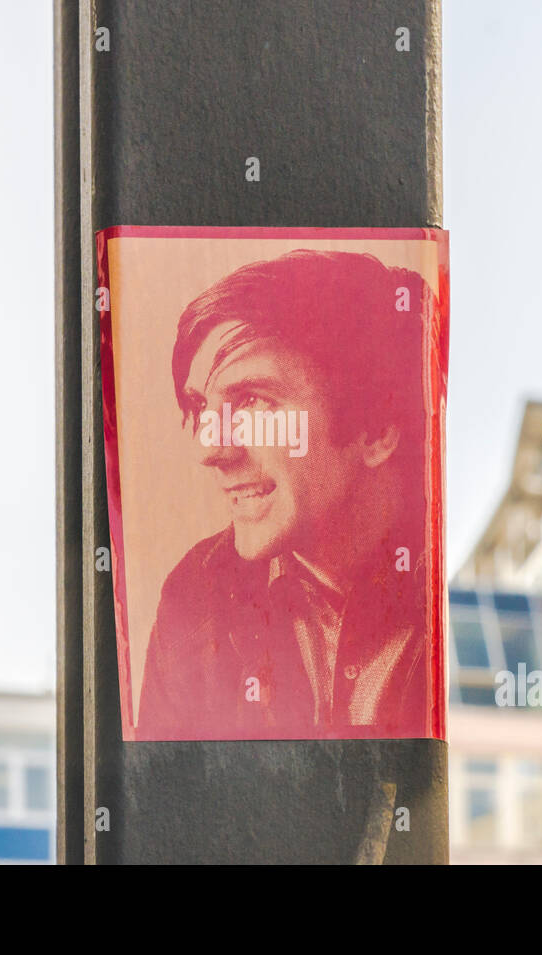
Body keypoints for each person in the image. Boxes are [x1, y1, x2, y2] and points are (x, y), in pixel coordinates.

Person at [135, 249, 437, 740]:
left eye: (253, 402)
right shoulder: (194, 599)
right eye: (201, 407)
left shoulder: (450, 598)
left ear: (378, 428)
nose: (211, 450)